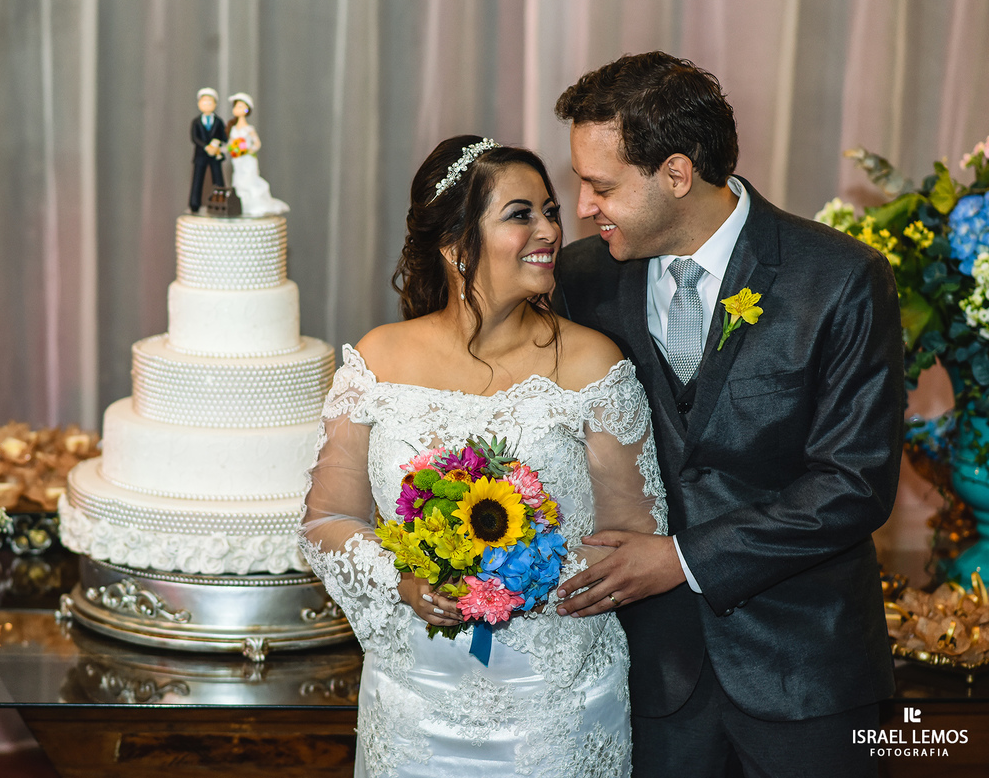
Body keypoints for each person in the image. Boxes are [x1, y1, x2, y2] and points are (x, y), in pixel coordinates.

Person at [551, 51, 903, 777]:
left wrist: (681, 558)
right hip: (650, 676)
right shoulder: (581, 279)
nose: (582, 207)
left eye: (601, 186)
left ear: (676, 175)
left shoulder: (839, 279)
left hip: (807, 674)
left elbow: (853, 482)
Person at [299, 135, 668, 777]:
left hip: (556, 712)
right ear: (453, 244)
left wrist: (522, 569)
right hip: (412, 710)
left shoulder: (593, 365)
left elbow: (635, 539)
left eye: (550, 210)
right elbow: (327, 519)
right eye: (520, 213)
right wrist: (405, 580)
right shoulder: (379, 360)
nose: (551, 229)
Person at [225, 92, 290, 216]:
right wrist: (231, 149)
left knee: (249, 180)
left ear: (246, 109)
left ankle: (253, 205)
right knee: (238, 181)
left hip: (247, 159)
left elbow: (257, 144)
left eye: (240, 106)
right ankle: (240, 205)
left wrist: (249, 150)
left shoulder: (249, 129)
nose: (237, 109)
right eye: (236, 106)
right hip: (238, 160)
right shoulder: (233, 129)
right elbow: (230, 144)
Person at [188, 87, 227, 212]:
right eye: (204, 102)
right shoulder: (196, 122)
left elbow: (225, 137)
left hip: (215, 155)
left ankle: (221, 201)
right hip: (200, 155)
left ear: (215, 104)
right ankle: (194, 203)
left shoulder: (219, 122)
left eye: (210, 102)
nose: (206, 105)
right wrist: (206, 147)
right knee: (197, 179)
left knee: (218, 179)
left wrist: (217, 144)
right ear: (199, 104)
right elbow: (195, 138)